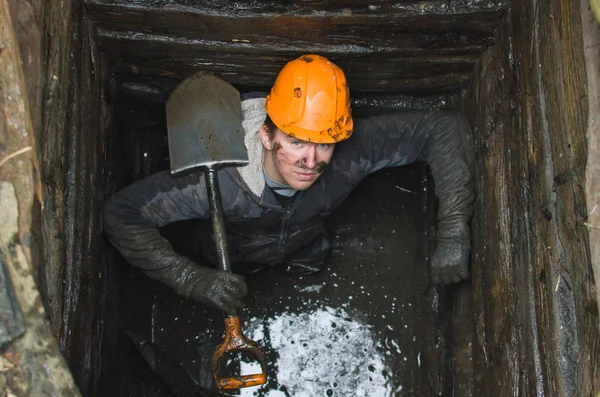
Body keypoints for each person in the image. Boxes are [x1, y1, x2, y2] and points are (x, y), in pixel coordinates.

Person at [103, 54, 474, 315]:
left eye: (323, 144)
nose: (311, 162)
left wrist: (454, 231)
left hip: (306, 243)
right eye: (295, 142)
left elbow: (442, 129)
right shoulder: (216, 182)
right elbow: (121, 214)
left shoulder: (350, 151)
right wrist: (191, 279)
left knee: (312, 256)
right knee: (231, 280)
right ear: (267, 136)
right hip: (230, 255)